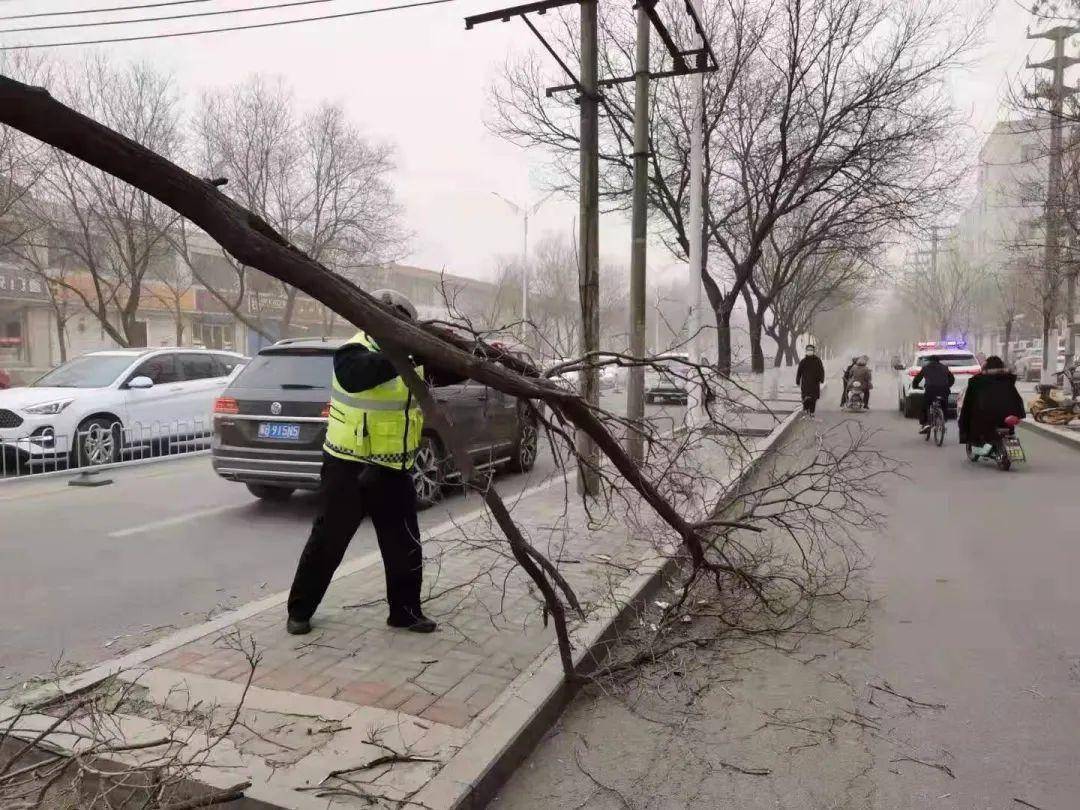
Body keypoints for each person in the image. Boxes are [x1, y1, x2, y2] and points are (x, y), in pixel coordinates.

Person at [286, 290, 466, 636]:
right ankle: (299, 611)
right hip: (347, 467)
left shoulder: (414, 359)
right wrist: (408, 351)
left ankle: (405, 612)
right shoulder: (354, 352)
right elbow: (359, 377)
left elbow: (455, 371)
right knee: (328, 541)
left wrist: (458, 349)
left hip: (392, 470)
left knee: (404, 545)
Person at [958, 355, 1026, 455]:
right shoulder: (1008, 379)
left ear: (986, 366)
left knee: (973, 419)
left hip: (987, 414)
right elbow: (1016, 398)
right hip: (1010, 414)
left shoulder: (977, 380)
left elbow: (969, 402)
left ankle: (979, 444)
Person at [911, 355, 954, 435]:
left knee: (925, 405)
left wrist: (915, 386)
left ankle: (926, 423)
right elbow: (952, 379)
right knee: (944, 403)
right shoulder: (945, 368)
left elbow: (917, 379)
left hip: (931, 390)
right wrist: (947, 386)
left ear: (930, 361)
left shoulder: (926, 368)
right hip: (944, 390)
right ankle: (944, 419)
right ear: (938, 361)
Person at [796, 344, 826, 416]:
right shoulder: (803, 361)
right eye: (808, 350)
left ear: (813, 351)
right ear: (806, 351)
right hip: (805, 383)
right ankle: (806, 410)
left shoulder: (817, 360)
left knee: (813, 398)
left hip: (814, 383)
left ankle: (812, 412)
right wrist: (797, 380)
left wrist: (821, 379)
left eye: (811, 350)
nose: (809, 351)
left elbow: (821, 370)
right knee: (805, 398)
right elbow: (799, 372)